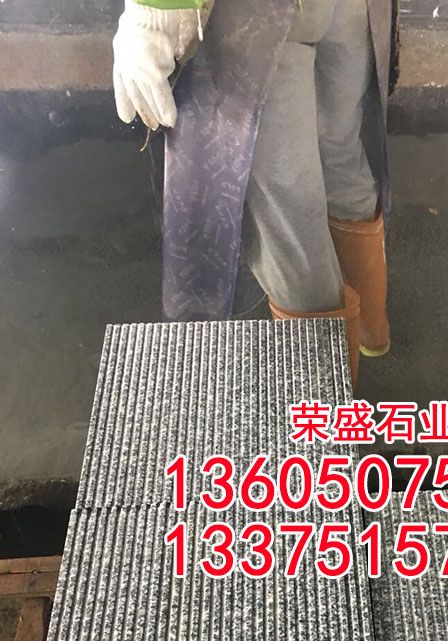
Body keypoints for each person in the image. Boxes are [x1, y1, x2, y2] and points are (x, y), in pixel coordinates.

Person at [112, 0, 394, 384]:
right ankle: (368, 333)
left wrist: (151, 15)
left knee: (290, 220)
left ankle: (318, 401)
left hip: (264, 13)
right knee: (341, 154)